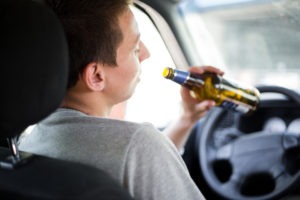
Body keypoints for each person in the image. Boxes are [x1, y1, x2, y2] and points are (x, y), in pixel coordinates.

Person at [19, 0, 224, 199]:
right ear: (96, 76)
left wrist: (187, 118)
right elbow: (135, 153)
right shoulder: (139, 144)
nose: (146, 53)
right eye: (135, 48)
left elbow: (129, 159)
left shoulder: (26, 145)